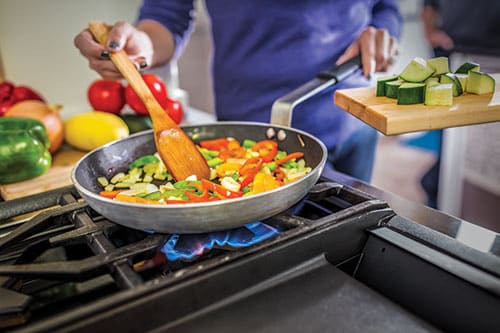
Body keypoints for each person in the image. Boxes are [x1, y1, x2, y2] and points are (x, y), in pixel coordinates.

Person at [74, 1, 402, 182]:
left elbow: (386, 6)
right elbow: (166, 13)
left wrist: (384, 32)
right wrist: (138, 48)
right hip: (251, 128)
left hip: (351, 109)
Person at [420, 0, 500, 208]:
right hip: (450, 48)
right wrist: (429, 30)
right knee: (450, 138)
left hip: (492, 53)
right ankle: (436, 197)